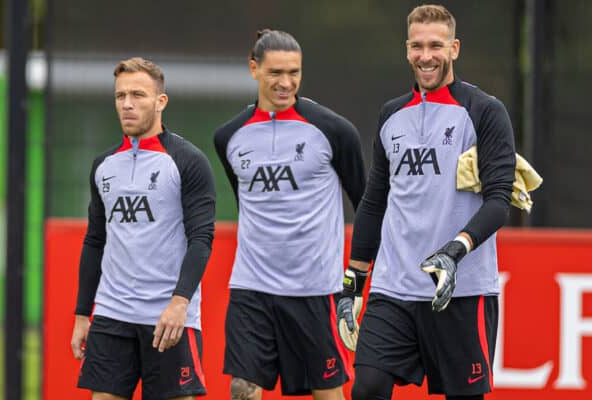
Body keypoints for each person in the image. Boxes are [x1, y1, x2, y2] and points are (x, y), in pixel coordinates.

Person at [336, 4, 516, 400]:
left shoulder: (484, 111)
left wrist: (454, 251)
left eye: (436, 45)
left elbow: (500, 201)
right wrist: (352, 283)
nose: (426, 56)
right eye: (417, 46)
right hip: (394, 287)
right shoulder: (391, 115)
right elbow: (373, 202)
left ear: (454, 48)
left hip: (462, 290)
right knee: (367, 388)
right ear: (406, 50)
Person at [214, 29, 366, 400]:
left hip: (315, 289)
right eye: (275, 73)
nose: (286, 83)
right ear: (254, 69)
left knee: (327, 392)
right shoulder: (228, 137)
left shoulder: (334, 131)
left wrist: (357, 278)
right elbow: (247, 202)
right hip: (251, 288)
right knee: (241, 388)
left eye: (294, 72)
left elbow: (366, 203)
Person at [70, 57, 216, 400]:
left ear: (161, 101)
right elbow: (95, 241)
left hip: (168, 318)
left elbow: (201, 238)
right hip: (111, 314)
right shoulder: (103, 165)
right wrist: (81, 314)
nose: (127, 104)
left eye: (138, 95)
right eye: (120, 96)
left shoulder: (188, 161)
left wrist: (180, 303)